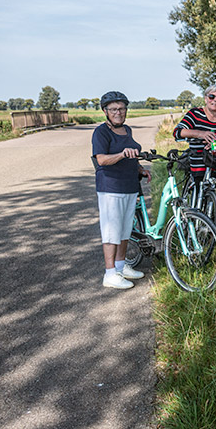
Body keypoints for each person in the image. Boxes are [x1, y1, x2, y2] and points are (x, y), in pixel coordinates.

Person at [92, 91, 151, 289]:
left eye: (122, 108)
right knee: (111, 231)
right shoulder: (101, 132)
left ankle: (120, 266)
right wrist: (121, 154)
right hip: (111, 187)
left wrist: (140, 169)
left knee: (125, 229)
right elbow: (101, 159)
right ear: (105, 111)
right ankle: (109, 274)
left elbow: (132, 156)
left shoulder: (127, 130)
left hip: (129, 186)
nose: (118, 112)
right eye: (114, 109)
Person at [173, 84, 216, 242]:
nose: (215, 100)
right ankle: (196, 237)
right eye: (211, 96)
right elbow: (178, 132)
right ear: (205, 98)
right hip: (200, 167)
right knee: (199, 204)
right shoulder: (194, 114)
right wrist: (200, 133)